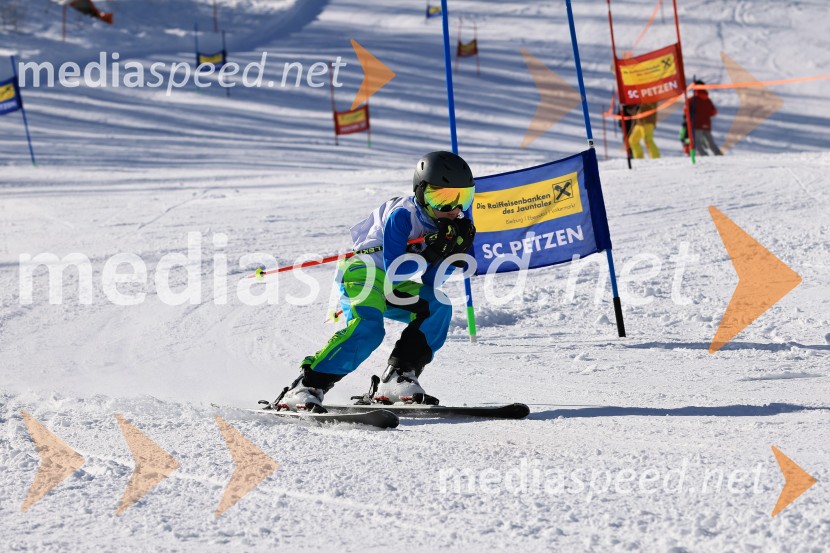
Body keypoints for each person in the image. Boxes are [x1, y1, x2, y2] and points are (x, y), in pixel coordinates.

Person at [274, 151, 477, 412]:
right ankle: (307, 385)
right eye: (442, 199)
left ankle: (398, 377)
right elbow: (395, 270)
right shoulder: (403, 215)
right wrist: (433, 251)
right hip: (365, 273)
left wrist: (451, 253)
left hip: (392, 283)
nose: (454, 209)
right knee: (369, 329)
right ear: (421, 192)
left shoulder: (459, 221)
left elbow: (430, 280)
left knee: (437, 305)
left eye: (463, 197)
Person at [689, 80, 722, 156]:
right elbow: (714, 112)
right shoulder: (707, 100)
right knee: (711, 143)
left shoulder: (692, 100)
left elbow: (686, 111)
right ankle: (718, 154)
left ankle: (704, 156)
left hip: (696, 125)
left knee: (697, 143)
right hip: (706, 124)